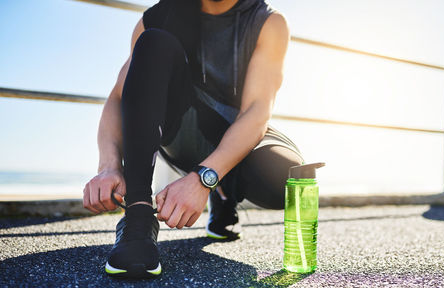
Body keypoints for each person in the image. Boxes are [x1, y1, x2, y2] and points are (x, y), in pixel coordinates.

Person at [83, 0, 303, 278]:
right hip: (182, 131)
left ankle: (222, 193)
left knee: (288, 180)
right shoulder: (159, 16)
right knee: (154, 42)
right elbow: (118, 98)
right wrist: (110, 166)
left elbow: (256, 111)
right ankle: (137, 218)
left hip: (240, 134)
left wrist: (204, 178)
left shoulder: (266, 21)